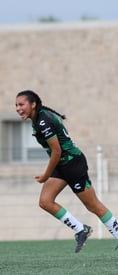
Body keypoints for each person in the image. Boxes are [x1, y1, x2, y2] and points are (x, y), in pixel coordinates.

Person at [15, 90, 118, 253]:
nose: (18, 108)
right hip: (61, 165)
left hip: (72, 164)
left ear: (33, 104)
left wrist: (46, 175)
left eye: (21, 104)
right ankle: (81, 229)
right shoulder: (38, 118)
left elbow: (57, 151)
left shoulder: (43, 121)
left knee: (93, 205)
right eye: (16, 105)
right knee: (45, 201)